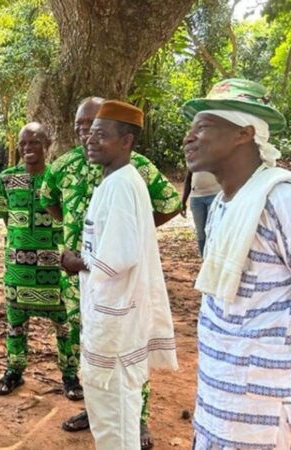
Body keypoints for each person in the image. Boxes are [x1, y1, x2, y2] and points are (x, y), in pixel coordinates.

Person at [41, 96, 182, 448]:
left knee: (116, 411)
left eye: (100, 134)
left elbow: (118, 256)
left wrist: (77, 262)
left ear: (126, 142)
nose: (90, 139)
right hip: (109, 307)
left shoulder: (121, 184)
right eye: (88, 132)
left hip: (116, 317)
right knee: (110, 406)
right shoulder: (116, 179)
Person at [181, 79, 291, 450]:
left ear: (244, 133)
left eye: (203, 127)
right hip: (219, 395)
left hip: (264, 406)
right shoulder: (223, 207)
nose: (189, 138)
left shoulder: (280, 198)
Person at [0, 122, 80, 398]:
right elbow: (7, 219)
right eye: (24, 143)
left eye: (35, 142)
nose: (28, 148)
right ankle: (14, 371)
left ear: (47, 144)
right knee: (15, 322)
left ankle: (70, 376)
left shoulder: (59, 177)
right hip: (18, 265)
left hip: (55, 266)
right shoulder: (7, 178)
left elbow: (69, 217)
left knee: (64, 324)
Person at [181, 171, 221, 255]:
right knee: (200, 232)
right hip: (196, 198)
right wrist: (183, 202)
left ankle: (213, 258)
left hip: (215, 195)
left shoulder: (218, 157)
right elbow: (188, 179)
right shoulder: (193, 158)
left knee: (213, 230)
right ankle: (204, 259)